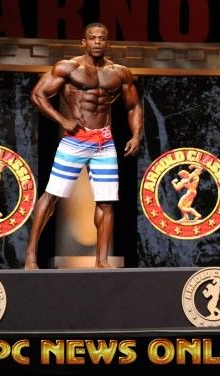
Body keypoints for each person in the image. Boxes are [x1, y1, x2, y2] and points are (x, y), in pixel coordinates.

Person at [24, 23, 143, 269]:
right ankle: (31, 255)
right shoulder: (68, 67)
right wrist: (62, 120)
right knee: (52, 195)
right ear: (84, 42)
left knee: (106, 201)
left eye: (102, 38)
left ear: (108, 42)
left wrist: (136, 135)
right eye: (92, 38)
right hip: (75, 140)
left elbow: (133, 106)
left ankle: (102, 260)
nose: (97, 42)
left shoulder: (120, 72)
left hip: (104, 143)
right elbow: (37, 95)